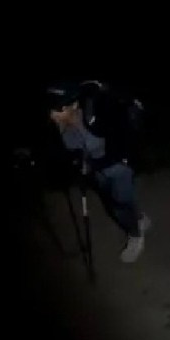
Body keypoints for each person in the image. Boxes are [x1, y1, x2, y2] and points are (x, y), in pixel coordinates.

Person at [45, 80, 150, 263]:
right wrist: (81, 162)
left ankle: (135, 235)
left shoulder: (97, 114)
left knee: (118, 205)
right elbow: (74, 150)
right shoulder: (62, 126)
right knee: (116, 199)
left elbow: (120, 139)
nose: (53, 115)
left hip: (118, 167)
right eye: (51, 110)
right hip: (99, 171)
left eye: (57, 110)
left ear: (73, 105)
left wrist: (114, 161)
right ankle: (139, 218)